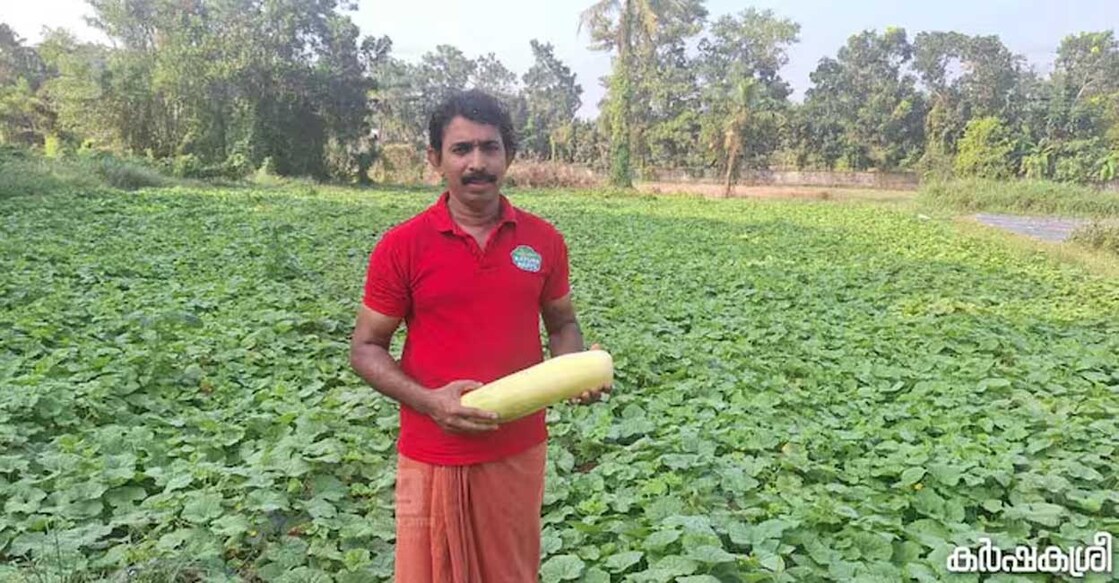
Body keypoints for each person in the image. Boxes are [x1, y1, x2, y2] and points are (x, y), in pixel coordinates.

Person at [349, 89, 611, 583]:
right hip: (427, 449)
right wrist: (430, 402)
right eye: (461, 149)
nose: (477, 163)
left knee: (511, 572)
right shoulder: (401, 246)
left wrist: (573, 370)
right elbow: (365, 348)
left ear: (508, 156)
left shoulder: (543, 241)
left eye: (490, 148)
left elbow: (562, 324)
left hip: (518, 448)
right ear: (436, 160)